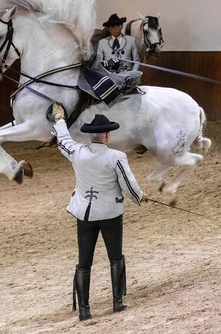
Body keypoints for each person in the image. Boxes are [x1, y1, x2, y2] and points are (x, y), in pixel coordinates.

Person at [50, 103, 146, 321]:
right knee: (115, 256)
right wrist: (140, 196)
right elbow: (128, 185)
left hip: (84, 214)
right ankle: (117, 302)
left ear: (91, 137)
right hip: (110, 213)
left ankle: (84, 310)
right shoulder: (116, 157)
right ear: (106, 136)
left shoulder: (78, 152)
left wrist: (59, 119)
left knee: (84, 261)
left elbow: (63, 140)